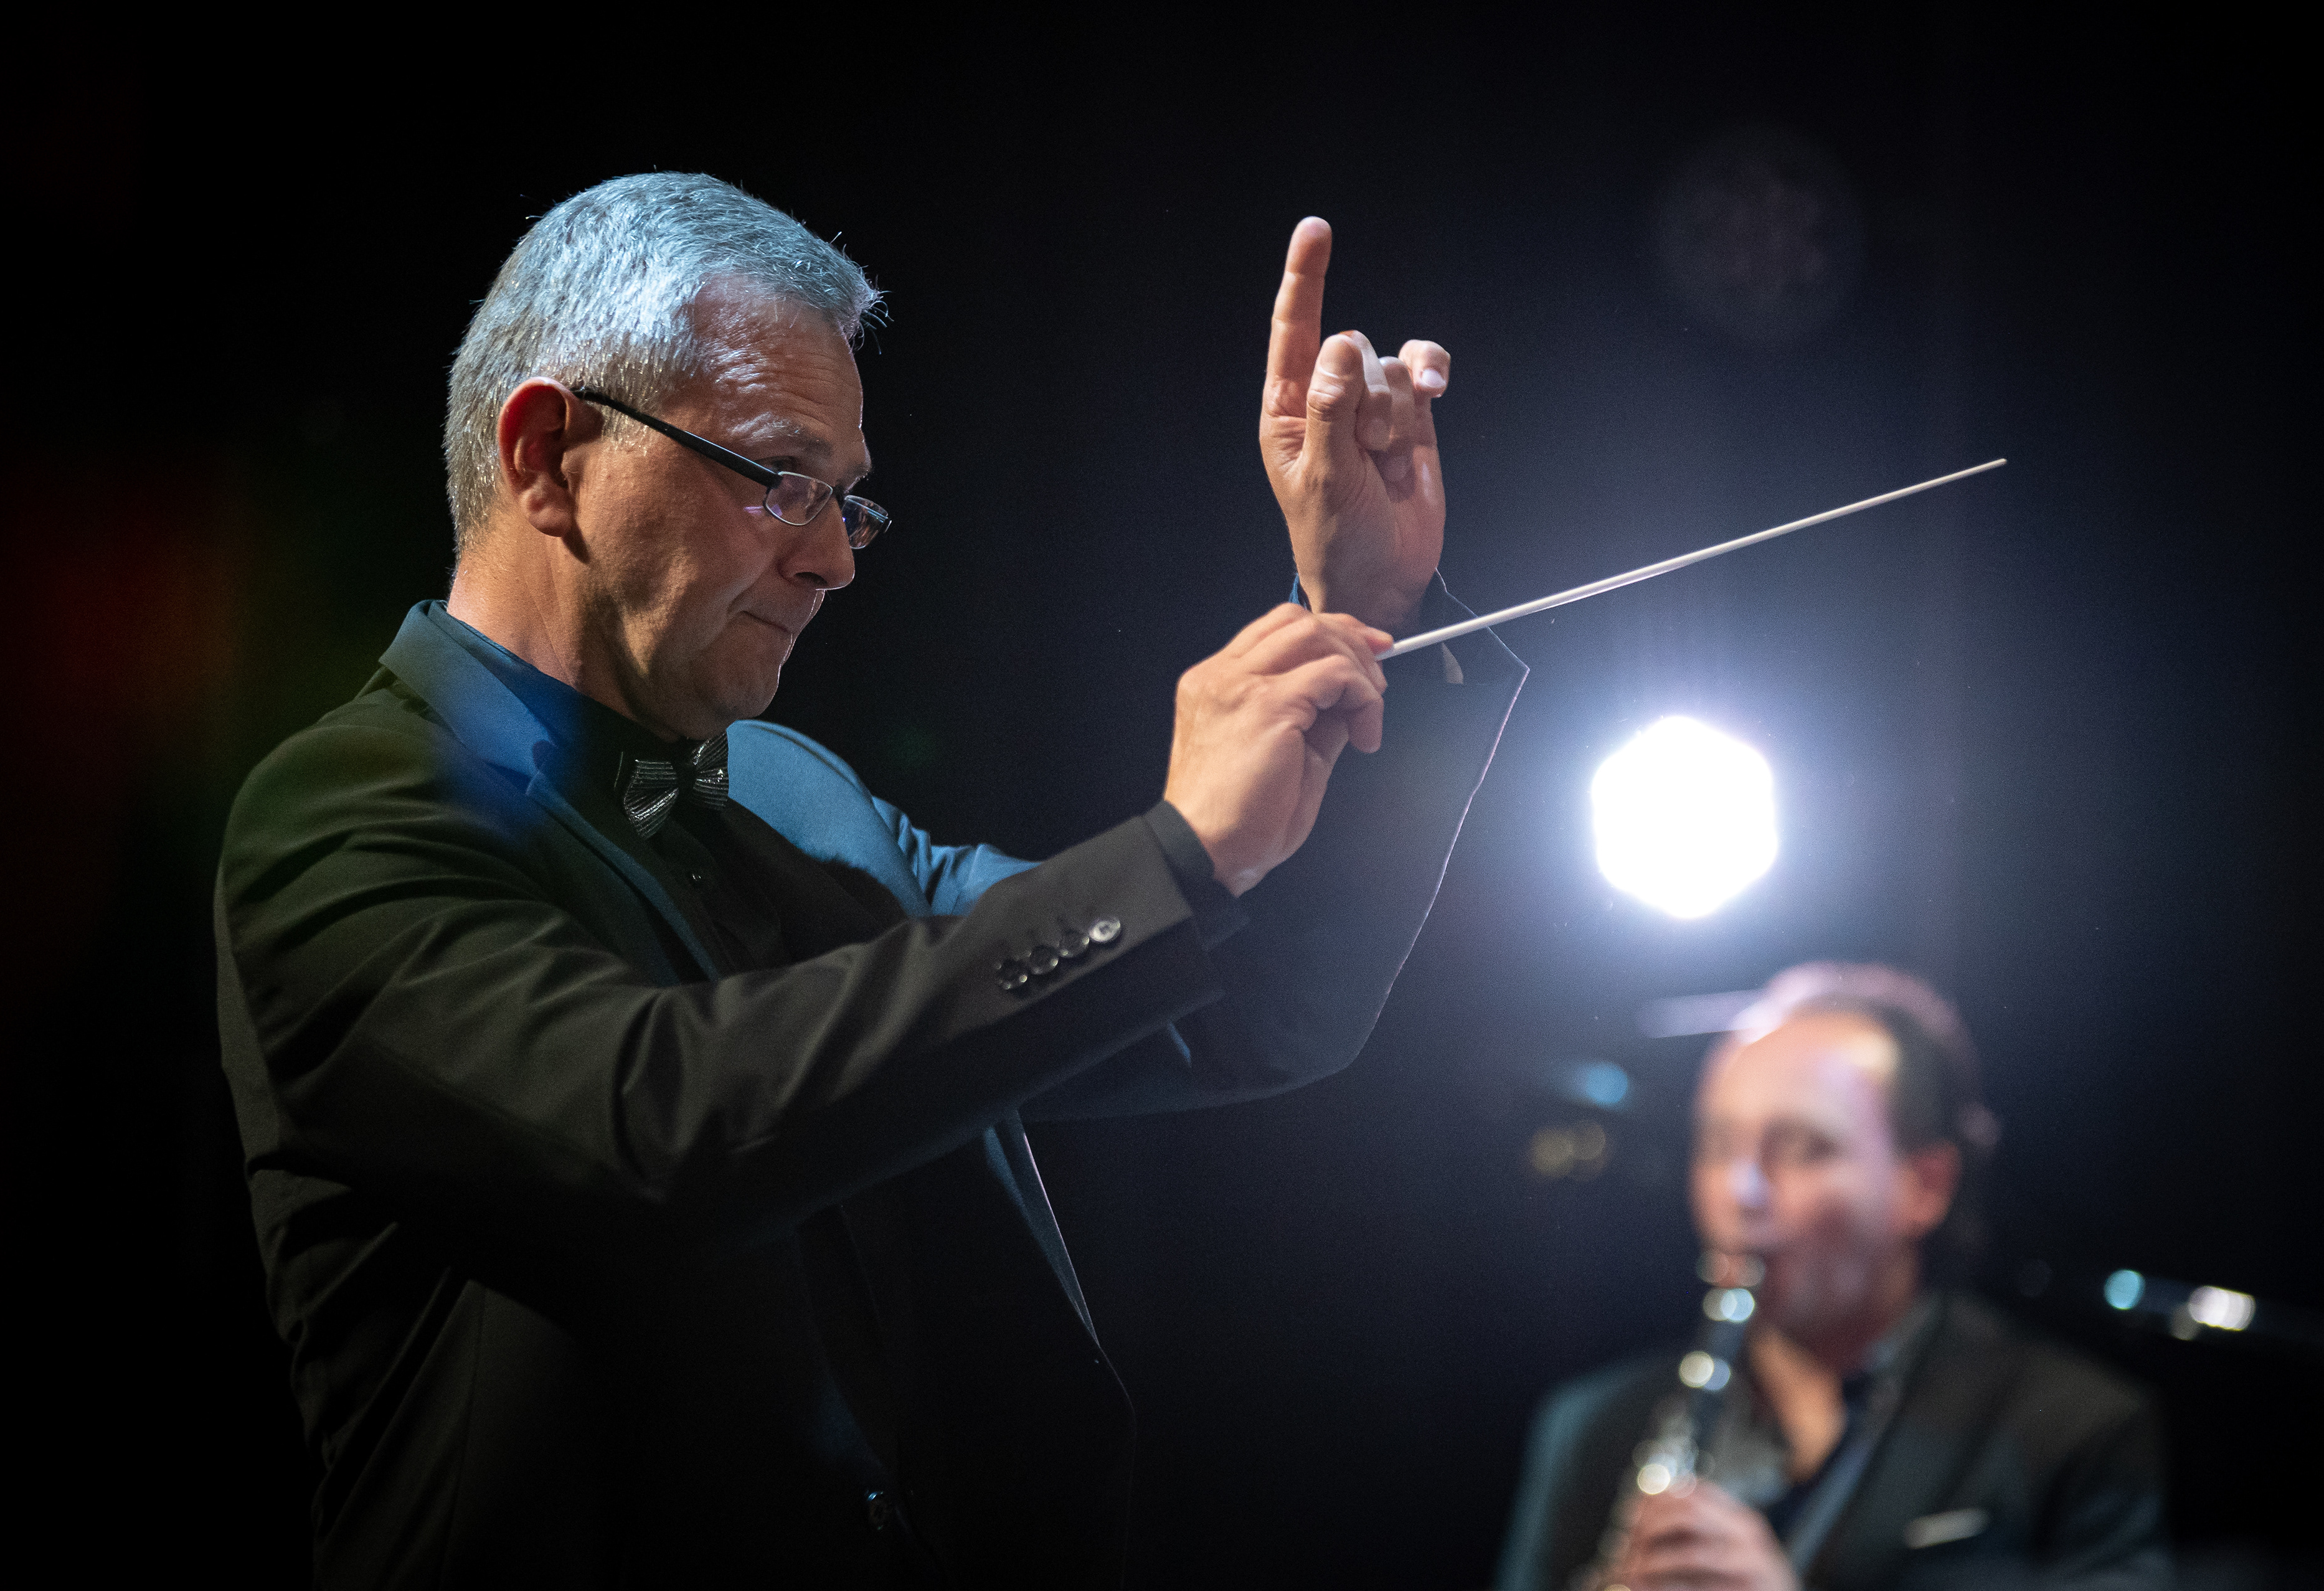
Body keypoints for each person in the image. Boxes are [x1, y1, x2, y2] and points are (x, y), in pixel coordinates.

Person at [215, 172, 1523, 1588]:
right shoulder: (342, 813)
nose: (836, 560)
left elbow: (1247, 1004)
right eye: (781, 479)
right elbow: (653, 1128)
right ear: (548, 456)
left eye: (848, 502)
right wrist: (1173, 851)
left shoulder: (794, 791)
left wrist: (1367, 621)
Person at [1493, 964, 2170, 1590]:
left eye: (1801, 1148)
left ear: (1926, 1185)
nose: (1741, 1191)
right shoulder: (1591, 1428)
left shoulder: (2075, 1432)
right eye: (1719, 1146)